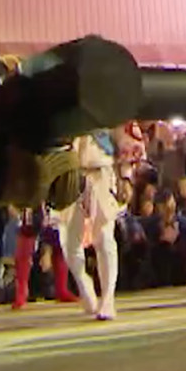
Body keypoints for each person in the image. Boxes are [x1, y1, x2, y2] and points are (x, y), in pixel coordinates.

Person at [61, 131, 121, 320]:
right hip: (69, 174)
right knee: (70, 242)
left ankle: (108, 299)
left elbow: (123, 136)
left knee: (104, 238)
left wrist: (125, 176)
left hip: (100, 171)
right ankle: (85, 288)